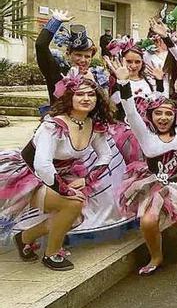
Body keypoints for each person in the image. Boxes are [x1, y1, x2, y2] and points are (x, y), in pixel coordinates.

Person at [1, 71, 116, 271]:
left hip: (58, 174)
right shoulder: (53, 125)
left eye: (91, 94)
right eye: (80, 94)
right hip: (30, 175)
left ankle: (25, 238)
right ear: (70, 97)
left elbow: (105, 155)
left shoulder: (94, 125)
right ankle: (52, 254)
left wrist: (86, 180)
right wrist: (66, 190)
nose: (86, 98)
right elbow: (42, 165)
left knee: (75, 216)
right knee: (73, 205)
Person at [109, 57, 177, 276]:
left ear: (175, 116)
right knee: (148, 220)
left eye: (168, 114)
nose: (163, 118)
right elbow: (131, 111)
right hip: (156, 183)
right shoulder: (144, 133)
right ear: (151, 116)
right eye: (158, 113)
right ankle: (156, 255)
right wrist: (124, 83)